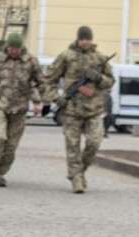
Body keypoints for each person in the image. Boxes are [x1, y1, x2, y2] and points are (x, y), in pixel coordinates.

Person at [46, 26, 115, 194]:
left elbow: (110, 82)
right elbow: (50, 80)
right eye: (82, 38)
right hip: (71, 110)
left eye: (88, 39)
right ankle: (75, 178)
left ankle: (80, 171)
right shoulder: (66, 56)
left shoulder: (100, 58)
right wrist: (56, 97)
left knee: (94, 142)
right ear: (77, 39)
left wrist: (98, 78)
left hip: (94, 109)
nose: (85, 42)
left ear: (92, 40)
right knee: (72, 146)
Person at [0, 33, 48, 187]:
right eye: (11, 48)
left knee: (11, 144)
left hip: (19, 108)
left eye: (17, 48)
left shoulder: (31, 61)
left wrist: (40, 101)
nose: (14, 51)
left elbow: (40, 82)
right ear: (7, 47)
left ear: (21, 48)